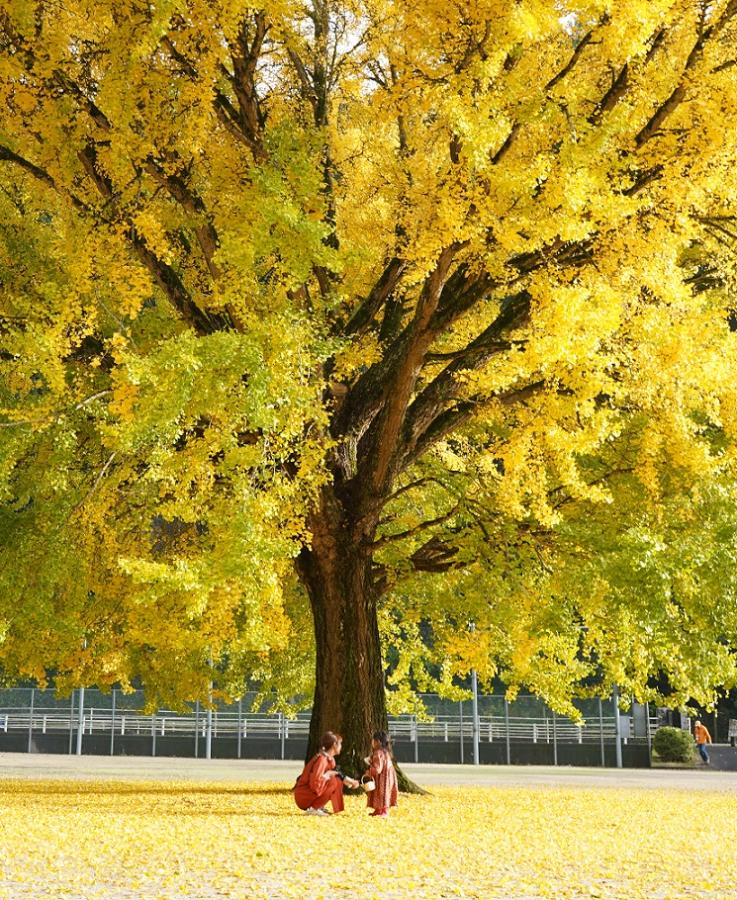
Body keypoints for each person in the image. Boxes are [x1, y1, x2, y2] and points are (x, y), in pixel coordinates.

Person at [293, 731, 359, 815]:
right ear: (334, 745)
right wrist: (328, 775)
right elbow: (315, 784)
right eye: (340, 744)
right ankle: (314, 808)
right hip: (304, 796)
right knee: (334, 782)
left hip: (310, 793)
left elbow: (338, 774)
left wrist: (351, 782)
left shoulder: (330, 759)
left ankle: (318, 806)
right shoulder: (322, 760)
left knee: (337, 781)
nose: (341, 747)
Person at [364, 730, 398, 818]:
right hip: (388, 776)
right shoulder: (386, 752)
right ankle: (379, 809)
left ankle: (384, 810)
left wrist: (369, 771)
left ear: (377, 742)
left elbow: (378, 768)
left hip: (383, 778)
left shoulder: (378, 753)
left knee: (382, 793)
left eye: (373, 740)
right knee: (383, 793)